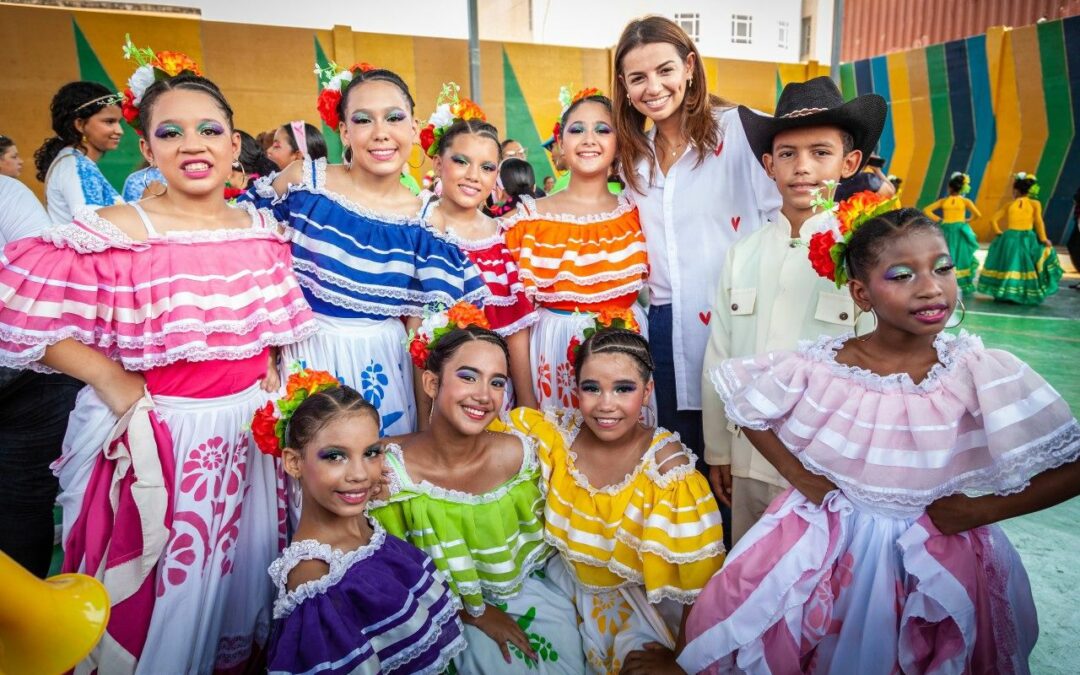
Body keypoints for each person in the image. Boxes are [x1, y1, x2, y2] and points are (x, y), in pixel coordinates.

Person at [0, 68, 317, 672]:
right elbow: (16, 307)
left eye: (209, 130)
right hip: (164, 438)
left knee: (236, 582)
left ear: (232, 145)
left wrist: (271, 358)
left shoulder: (263, 230)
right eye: (170, 133)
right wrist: (106, 375)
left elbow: (263, 323)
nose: (192, 144)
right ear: (147, 150)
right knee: (165, 592)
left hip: (249, 442)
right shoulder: (121, 230)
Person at [679, 207, 1080, 673]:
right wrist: (799, 475)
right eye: (902, 275)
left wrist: (981, 509)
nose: (931, 287)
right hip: (827, 549)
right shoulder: (824, 366)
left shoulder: (978, 373)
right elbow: (748, 406)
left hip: (934, 553)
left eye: (943, 268)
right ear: (861, 293)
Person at [248, 64, 489, 436]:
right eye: (363, 120)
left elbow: (419, 333)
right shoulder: (304, 185)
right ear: (344, 131)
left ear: (413, 127)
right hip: (305, 358)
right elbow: (254, 265)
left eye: (394, 118)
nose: (381, 133)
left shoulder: (427, 221)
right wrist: (265, 352)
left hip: (383, 365)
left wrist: (425, 428)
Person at [702, 77, 884, 546]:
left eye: (820, 152)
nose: (803, 168)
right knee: (748, 575)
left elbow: (882, 370)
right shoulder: (742, 255)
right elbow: (719, 359)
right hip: (748, 459)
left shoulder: (867, 255)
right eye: (787, 154)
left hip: (829, 468)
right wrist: (718, 451)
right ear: (768, 165)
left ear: (850, 163)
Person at [503, 328, 725, 673]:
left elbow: (702, 580)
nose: (606, 404)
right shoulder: (558, 435)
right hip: (561, 586)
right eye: (592, 388)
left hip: (635, 605)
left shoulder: (669, 472)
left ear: (647, 391)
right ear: (576, 390)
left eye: (624, 388)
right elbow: (481, 445)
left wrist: (679, 661)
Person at [613, 16, 780, 464]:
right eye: (638, 78)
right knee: (681, 463)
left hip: (745, 320)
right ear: (625, 88)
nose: (654, 87)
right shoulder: (634, 158)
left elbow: (786, 219)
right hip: (666, 330)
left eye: (665, 70)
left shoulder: (744, 131)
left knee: (746, 459)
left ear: (689, 67)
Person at [371, 323, 584, 673]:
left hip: (523, 594)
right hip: (429, 611)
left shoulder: (520, 456)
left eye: (497, 382)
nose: (484, 395)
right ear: (432, 383)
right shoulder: (386, 470)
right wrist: (471, 613)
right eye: (468, 377)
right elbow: (379, 576)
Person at [262, 377, 466, 674]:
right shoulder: (317, 578)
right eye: (335, 456)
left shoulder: (362, 525)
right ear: (294, 463)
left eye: (371, 452)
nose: (359, 474)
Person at [501, 90, 649, 412]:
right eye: (577, 129)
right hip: (550, 357)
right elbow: (516, 322)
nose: (589, 139)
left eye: (603, 129)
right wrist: (526, 400)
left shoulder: (637, 213)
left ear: (619, 143)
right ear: (561, 144)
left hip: (625, 355)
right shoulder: (527, 219)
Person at [419, 87, 538, 408]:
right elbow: (413, 328)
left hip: (488, 397)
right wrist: (421, 420)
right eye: (461, 161)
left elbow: (515, 337)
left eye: (486, 167)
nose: (473, 176)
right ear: (438, 162)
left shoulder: (499, 238)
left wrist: (528, 410)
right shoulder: (416, 228)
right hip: (428, 391)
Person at [34, 81, 124, 224]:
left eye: (119, 122)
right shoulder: (75, 166)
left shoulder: (77, 162)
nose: (119, 131)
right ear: (80, 125)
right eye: (109, 122)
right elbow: (93, 226)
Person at [976, 172, 1063, 304]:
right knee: (1025, 265)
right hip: (1027, 238)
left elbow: (993, 220)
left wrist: (999, 232)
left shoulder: (1009, 205)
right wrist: (1044, 238)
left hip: (1009, 237)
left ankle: (1005, 292)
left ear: (1016, 190)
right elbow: (1038, 222)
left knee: (1010, 264)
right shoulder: (1035, 204)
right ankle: (1020, 293)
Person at [923, 171, 983, 293]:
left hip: (946, 229)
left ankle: (945, 281)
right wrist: (967, 220)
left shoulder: (944, 201)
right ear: (962, 188)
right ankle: (960, 282)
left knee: (946, 254)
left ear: (950, 187)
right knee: (961, 256)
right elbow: (978, 215)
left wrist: (940, 220)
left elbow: (926, 210)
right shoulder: (965, 202)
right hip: (960, 229)